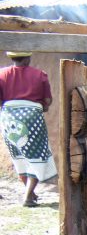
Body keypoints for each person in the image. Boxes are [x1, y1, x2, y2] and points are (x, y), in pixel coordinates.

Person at [0, 51, 56, 207]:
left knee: (19, 156)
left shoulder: (1, 74)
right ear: (27, 58)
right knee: (38, 155)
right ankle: (27, 196)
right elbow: (47, 100)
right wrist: (43, 106)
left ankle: (29, 192)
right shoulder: (40, 75)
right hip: (32, 117)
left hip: (8, 119)